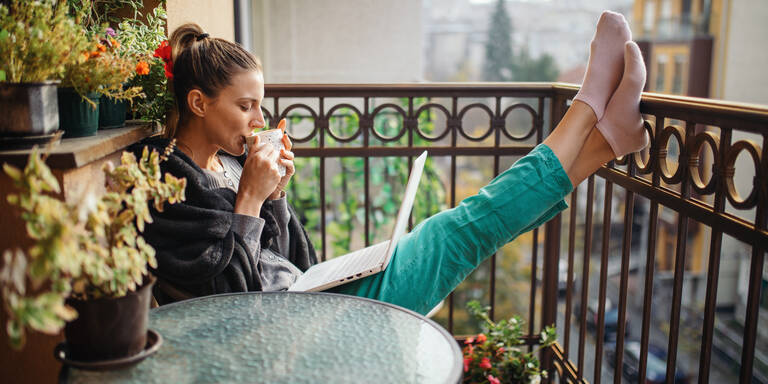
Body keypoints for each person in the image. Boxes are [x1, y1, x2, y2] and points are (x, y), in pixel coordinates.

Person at [133, 11, 648, 315]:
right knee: (460, 230)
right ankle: (585, 110)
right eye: (245, 106)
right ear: (200, 104)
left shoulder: (224, 164)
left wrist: (274, 197)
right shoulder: (169, 183)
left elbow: (292, 259)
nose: (258, 118)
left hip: (312, 298)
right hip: (299, 326)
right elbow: (234, 303)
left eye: (260, 104)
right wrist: (250, 198)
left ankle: (604, 141)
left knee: (466, 231)